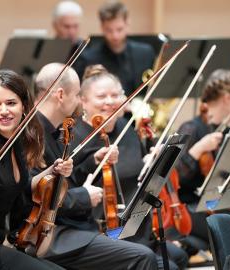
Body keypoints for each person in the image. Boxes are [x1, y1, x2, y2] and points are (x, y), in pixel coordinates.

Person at [32, 63, 159, 270]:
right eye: (76, 97)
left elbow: (62, 181)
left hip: (79, 226)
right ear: (62, 95)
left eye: (115, 95)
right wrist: (83, 195)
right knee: (144, 257)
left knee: (165, 257)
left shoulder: (55, 132)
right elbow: (40, 193)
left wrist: (92, 162)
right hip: (54, 232)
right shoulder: (39, 135)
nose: (76, 106)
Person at [70, 64, 188, 269]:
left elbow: (140, 179)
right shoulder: (75, 138)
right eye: (101, 96)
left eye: (115, 95)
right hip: (101, 232)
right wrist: (93, 161)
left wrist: (154, 163)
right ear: (83, 101)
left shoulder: (127, 128)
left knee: (179, 256)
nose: (109, 102)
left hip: (137, 227)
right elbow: (70, 187)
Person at [0, 70, 71, 269]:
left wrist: (52, 172)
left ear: (24, 106)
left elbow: (21, 187)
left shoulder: (15, 141)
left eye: (11, 103)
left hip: (5, 240)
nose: (3, 111)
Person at [176, 69, 230, 251]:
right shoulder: (192, 128)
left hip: (214, 205)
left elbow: (229, 177)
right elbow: (175, 176)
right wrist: (199, 148)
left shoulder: (227, 132)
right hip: (188, 208)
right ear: (227, 98)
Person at [73, 0, 155, 95]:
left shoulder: (146, 53)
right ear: (102, 27)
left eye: (119, 29)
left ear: (127, 24)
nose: (115, 35)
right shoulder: (87, 59)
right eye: (109, 30)